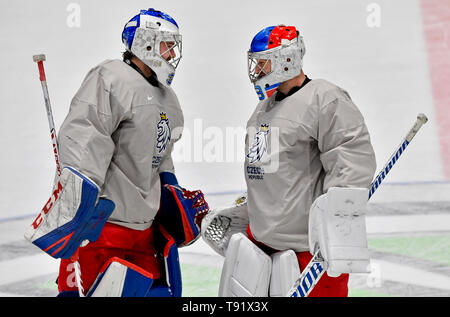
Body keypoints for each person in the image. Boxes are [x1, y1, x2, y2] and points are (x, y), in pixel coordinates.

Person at [24, 8, 209, 297]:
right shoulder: (110, 77)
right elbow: (84, 139)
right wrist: (77, 208)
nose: (173, 54)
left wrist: (170, 190)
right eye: (167, 44)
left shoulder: (169, 99)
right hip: (100, 233)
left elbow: (161, 156)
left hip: (146, 236)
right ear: (145, 42)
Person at [202, 25, 376, 297]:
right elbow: (275, 174)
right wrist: (252, 211)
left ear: (286, 60)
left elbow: (351, 162)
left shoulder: (325, 98)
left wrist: (338, 223)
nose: (256, 70)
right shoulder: (264, 108)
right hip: (260, 247)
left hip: (309, 255)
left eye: (263, 62)